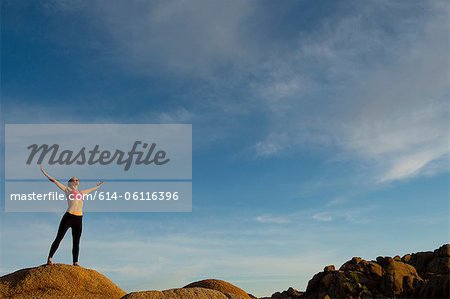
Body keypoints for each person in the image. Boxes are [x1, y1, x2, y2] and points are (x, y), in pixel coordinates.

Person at [40, 165, 104, 266]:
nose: (76, 181)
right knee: (59, 237)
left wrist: (98, 186)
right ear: (70, 183)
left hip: (79, 219)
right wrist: (44, 172)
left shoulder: (82, 193)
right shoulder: (67, 190)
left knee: (76, 241)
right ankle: (50, 258)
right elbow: (54, 181)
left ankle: (75, 262)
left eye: (77, 180)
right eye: (74, 180)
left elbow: (92, 189)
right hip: (68, 217)